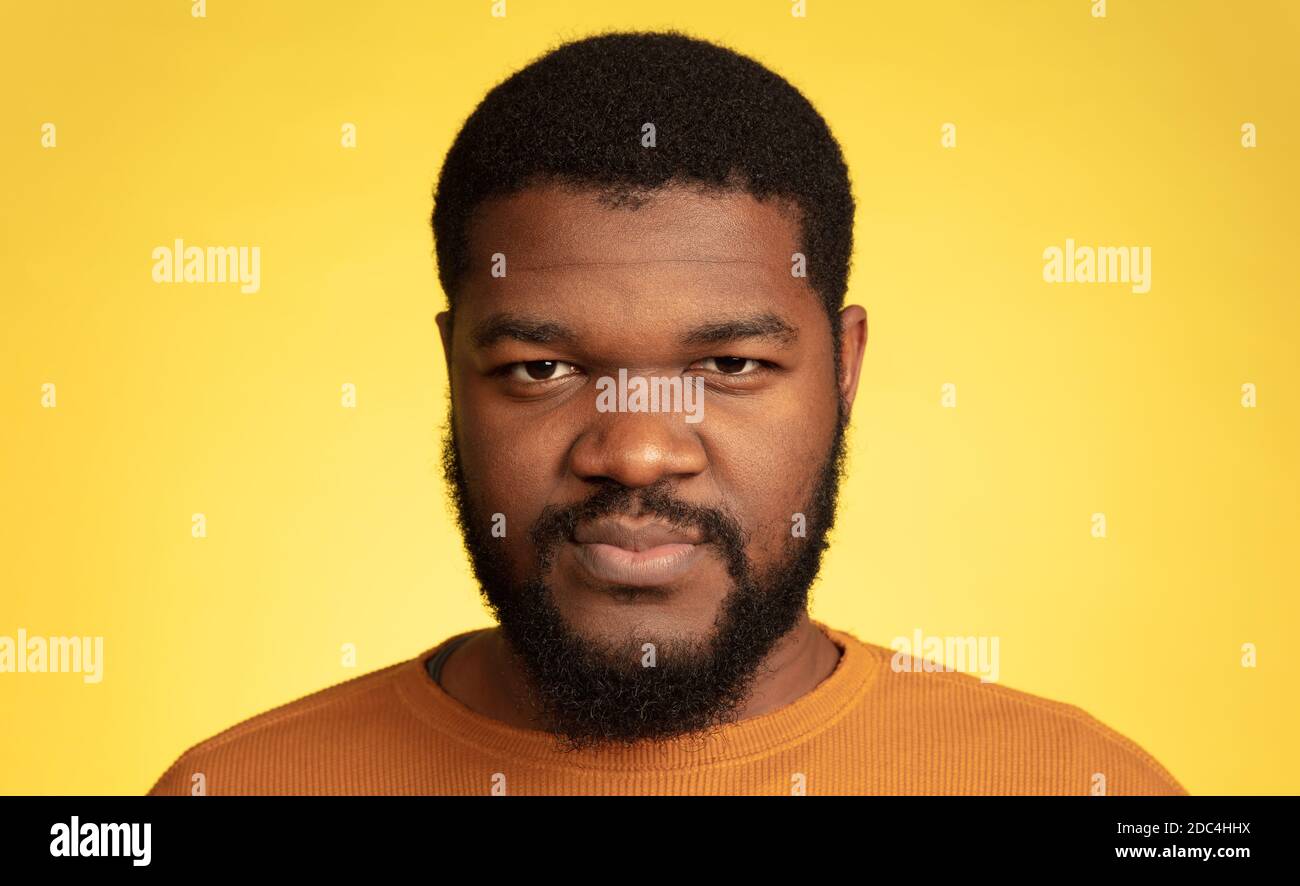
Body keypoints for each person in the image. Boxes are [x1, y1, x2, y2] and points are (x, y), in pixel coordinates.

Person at [148, 30, 1186, 796]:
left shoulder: (1084, 788)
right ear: (454, 372)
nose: (637, 449)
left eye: (730, 362)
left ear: (845, 367)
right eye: (539, 368)